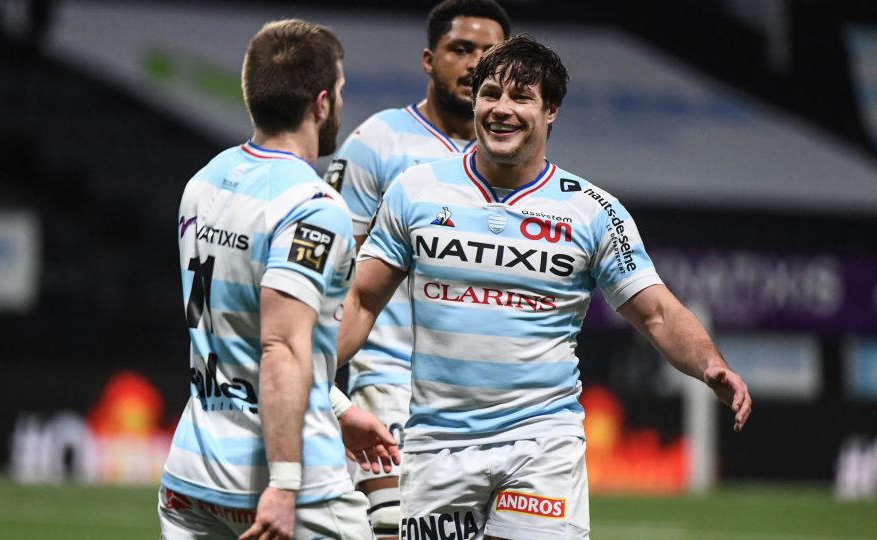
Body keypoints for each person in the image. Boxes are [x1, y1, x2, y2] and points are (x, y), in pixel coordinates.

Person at [338, 34, 753, 539]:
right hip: (437, 448)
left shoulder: (593, 211)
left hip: (540, 444)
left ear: (551, 109)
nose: (501, 109)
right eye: (490, 94)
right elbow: (360, 300)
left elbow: (658, 313)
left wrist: (711, 364)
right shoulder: (416, 190)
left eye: (521, 98)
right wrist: (308, 372)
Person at [159, 19, 399, 540]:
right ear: (320, 103)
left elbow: (234, 330)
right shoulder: (312, 207)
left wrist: (337, 406)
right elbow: (281, 347)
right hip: (287, 480)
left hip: (192, 477)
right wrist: (284, 484)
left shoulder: (204, 182)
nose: (339, 102)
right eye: (338, 91)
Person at [324, 1, 509, 535]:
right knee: (394, 529)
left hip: (485, 398)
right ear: (430, 60)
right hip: (390, 385)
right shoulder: (377, 143)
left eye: (490, 53)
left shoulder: (515, 158)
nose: (476, 63)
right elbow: (336, 277)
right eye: (461, 49)